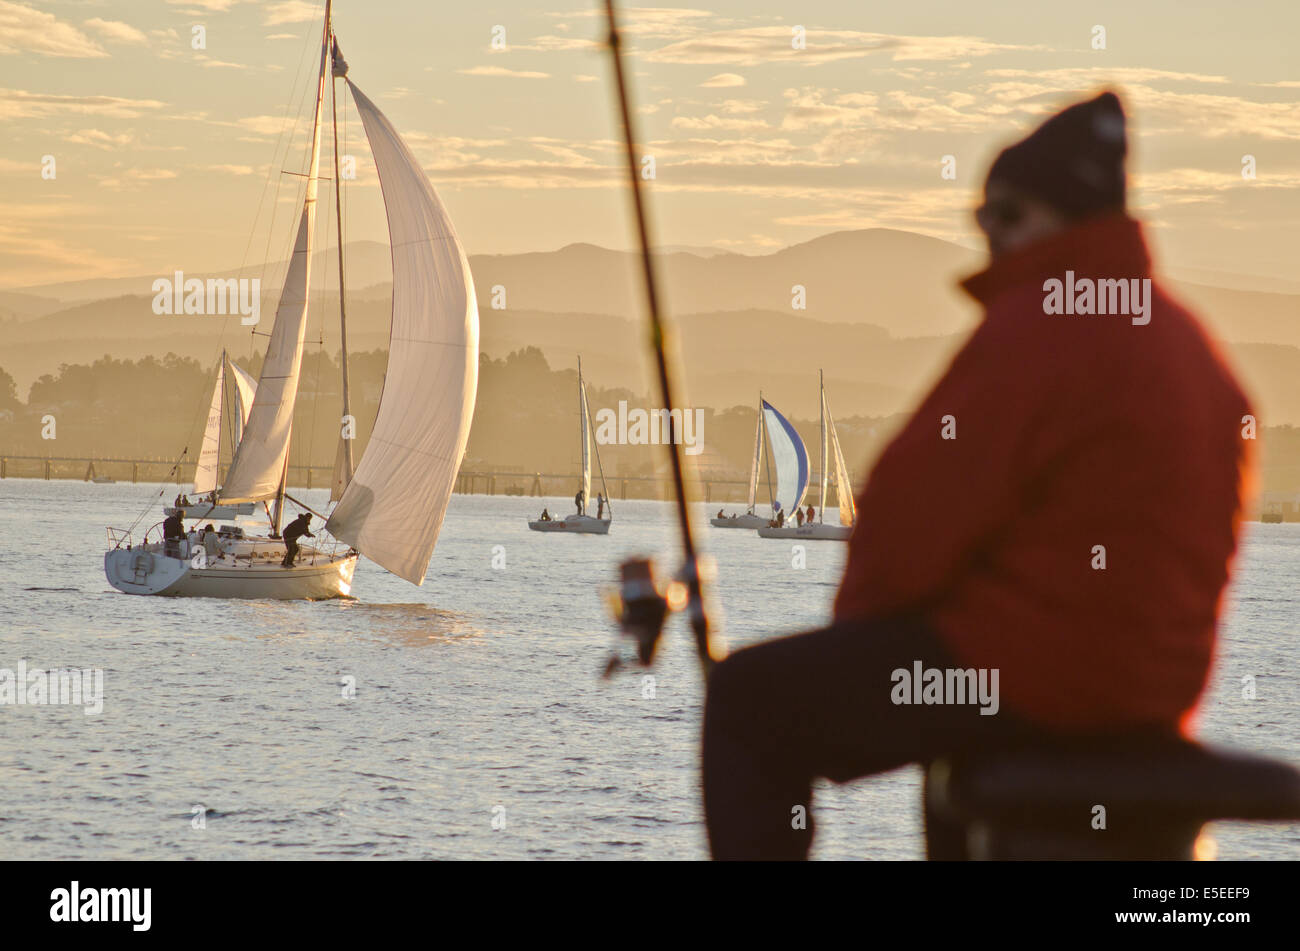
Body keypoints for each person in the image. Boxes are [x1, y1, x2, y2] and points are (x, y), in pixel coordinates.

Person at [701, 91, 1254, 860]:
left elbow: (907, 525)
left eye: (1008, 211)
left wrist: (860, 637)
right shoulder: (1195, 351)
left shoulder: (1038, 330)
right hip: (1151, 698)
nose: (985, 229)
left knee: (749, 699)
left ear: (1070, 218)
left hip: (1027, 682)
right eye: (984, 211)